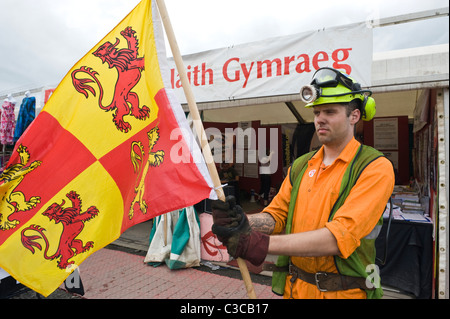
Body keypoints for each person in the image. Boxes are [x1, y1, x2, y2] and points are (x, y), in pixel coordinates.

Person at [211, 67, 395, 299]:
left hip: (345, 292)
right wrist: (241, 221)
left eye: (330, 111)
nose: (320, 119)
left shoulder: (374, 166)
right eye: (317, 112)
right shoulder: (302, 165)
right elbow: (277, 216)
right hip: (295, 288)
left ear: (354, 116)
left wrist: (259, 244)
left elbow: (338, 238)